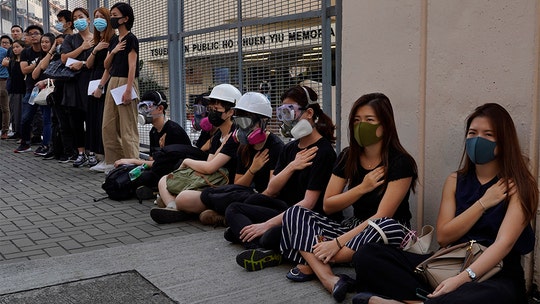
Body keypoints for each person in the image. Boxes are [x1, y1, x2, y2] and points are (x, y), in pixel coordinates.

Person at [351, 103, 538, 304]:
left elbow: (504, 243)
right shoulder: (455, 181)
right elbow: (444, 236)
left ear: (503, 142)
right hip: (449, 264)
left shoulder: (519, 184)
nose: (477, 140)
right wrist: (483, 203)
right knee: (367, 255)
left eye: (488, 135)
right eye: (472, 133)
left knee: (472, 298)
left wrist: (461, 279)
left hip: (496, 275)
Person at [280, 93, 418, 302]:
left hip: (385, 230)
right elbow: (328, 205)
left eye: (369, 120)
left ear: (385, 124)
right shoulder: (348, 155)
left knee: (384, 226)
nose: (362, 126)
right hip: (353, 227)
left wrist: (335, 243)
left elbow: (382, 216)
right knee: (295, 213)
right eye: (357, 120)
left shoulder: (401, 162)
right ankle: (329, 279)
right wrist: (362, 188)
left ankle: (313, 260)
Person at [231, 85, 337, 270]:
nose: (285, 120)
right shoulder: (289, 149)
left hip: (307, 218)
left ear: (309, 113)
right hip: (285, 209)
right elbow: (272, 190)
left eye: (289, 112)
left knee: (264, 234)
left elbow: (309, 203)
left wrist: (265, 225)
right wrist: (292, 166)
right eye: (282, 113)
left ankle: (258, 243)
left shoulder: (324, 152)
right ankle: (260, 247)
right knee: (234, 209)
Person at [152, 92, 284, 226]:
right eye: (240, 121)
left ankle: (199, 209)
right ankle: (179, 206)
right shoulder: (242, 145)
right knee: (174, 188)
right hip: (236, 191)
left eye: (247, 121)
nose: (243, 128)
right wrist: (252, 170)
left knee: (187, 200)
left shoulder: (275, 146)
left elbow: (272, 191)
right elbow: (238, 183)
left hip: (251, 196)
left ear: (263, 121)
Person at [149, 83, 242, 224]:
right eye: (210, 108)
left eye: (216, 109)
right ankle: (174, 208)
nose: (211, 113)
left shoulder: (235, 136)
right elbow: (208, 163)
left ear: (230, 112)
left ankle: (178, 205)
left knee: (183, 197)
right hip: (210, 180)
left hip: (224, 184)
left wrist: (187, 162)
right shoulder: (218, 135)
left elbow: (210, 167)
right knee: (164, 180)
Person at [113, 90, 191, 192]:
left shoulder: (173, 131)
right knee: (128, 174)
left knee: (139, 178)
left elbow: (169, 165)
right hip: (160, 169)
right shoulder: (153, 131)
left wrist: (133, 161)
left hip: (176, 173)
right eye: (142, 107)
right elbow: (152, 159)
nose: (144, 112)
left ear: (160, 108)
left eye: (147, 107)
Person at [101, 2, 140, 173]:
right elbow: (106, 64)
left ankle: (133, 164)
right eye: (112, 15)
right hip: (112, 82)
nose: (112, 18)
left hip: (126, 82)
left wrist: (128, 90)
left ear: (125, 18)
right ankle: (115, 162)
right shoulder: (115, 40)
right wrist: (115, 50)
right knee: (108, 125)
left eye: (115, 15)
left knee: (127, 126)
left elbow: (132, 66)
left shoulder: (131, 39)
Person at [60, 7, 94, 167]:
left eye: (81, 17)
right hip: (73, 84)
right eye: (75, 18)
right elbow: (64, 58)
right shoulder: (70, 40)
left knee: (92, 119)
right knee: (76, 120)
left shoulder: (97, 38)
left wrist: (83, 63)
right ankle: (81, 153)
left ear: (88, 19)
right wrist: (82, 48)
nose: (78, 20)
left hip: (90, 83)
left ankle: (93, 152)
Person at [85, 7, 114, 169]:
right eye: (95, 17)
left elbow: (109, 67)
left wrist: (101, 86)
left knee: (104, 120)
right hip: (93, 82)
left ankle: (107, 158)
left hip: (104, 83)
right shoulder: (96, 41)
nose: (98, 20)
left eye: (101, 16)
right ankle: (99, 156)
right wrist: (95, 50)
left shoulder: (113, 40)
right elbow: (88, 64)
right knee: (93, 120)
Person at [14, 25, 45, 153]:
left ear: (41, 35)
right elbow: (24, 70)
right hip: (32, 90)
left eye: (36, 33)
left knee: (47, 119)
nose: (33, 36)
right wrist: (39, 64)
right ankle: (25, 143)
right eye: (30, 34)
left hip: (47, 88)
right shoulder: (26, 52)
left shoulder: (46, 50)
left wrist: (33, 66)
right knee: (26, 118)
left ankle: (46, 144)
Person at [5, 40, 25, 142]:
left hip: (21, 89)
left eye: (18, 47)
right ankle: (16, 131)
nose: (15, 49)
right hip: (12, 88)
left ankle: (22, 133)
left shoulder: (24, 60)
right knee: (13, 111)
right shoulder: (12, 61)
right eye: (14, 47)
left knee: (20, 112)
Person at [0, 35, 11, 139]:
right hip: (4, 81)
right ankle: (5, 131)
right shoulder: (5, 51)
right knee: (5, 108)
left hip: (3, 80)